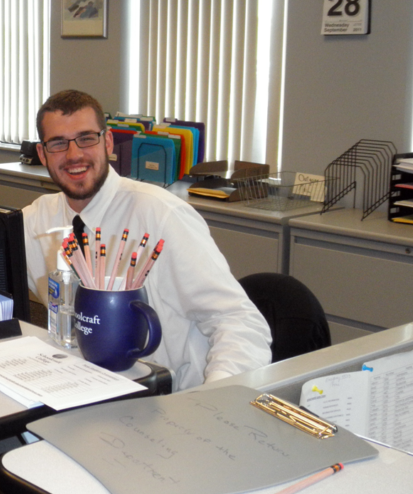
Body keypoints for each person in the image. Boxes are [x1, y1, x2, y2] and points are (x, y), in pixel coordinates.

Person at [24, 90, 271, 391]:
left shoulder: (161, 215)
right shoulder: (38, 219)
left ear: (108, 142)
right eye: (58, 143)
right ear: (42, 153)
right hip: (81, 388)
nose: (74, 155)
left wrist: (211, 403)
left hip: (168, 402)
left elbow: (240, 323)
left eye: (87, 138)